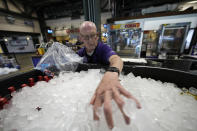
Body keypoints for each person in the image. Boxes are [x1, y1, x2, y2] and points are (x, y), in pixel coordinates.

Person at [77, 21, 141, 129]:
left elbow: (116, 59)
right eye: (86, 37)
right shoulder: (80, 53)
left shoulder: (103, 49)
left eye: (93, 35)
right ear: (81, 38)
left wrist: (112, 72)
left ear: (97, 36)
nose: (91, 40)